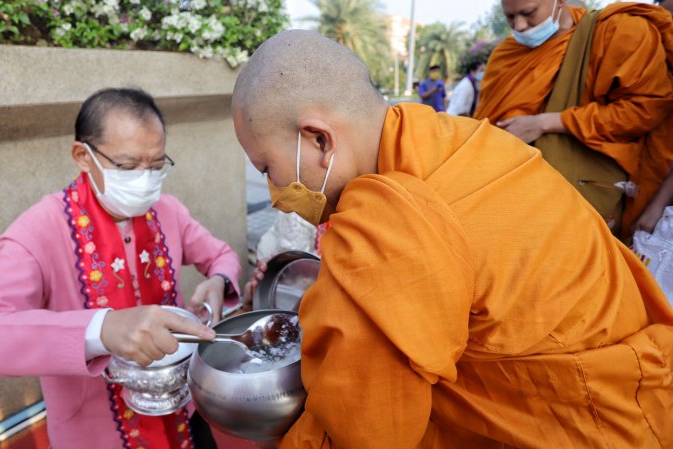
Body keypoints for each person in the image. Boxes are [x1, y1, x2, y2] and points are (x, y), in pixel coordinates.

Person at [231, 30, 673, 449]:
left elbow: (368, 428)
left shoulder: (387, 220)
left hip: (584, 428)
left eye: (268, 169)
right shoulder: (462, 138)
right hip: (641, 395)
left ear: (320, 139)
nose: (275, 196)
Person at [0, 88, 242, 449]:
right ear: (83, 156)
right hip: (95, 431)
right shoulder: (38, 230)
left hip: (181, 410)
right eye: (128, 166)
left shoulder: (168, 210)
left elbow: (221, 255)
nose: (145, 179)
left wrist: (218, 281)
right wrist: (101, 328)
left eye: (156, 165)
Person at [474, 0, 673, 238]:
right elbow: (485, 129)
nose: (520, 26)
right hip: (508, 202)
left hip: (586, 202)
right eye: (510, 17)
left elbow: (642, 110)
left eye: (528, 13)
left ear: (560, 2)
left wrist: (547, 122)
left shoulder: (619, 31)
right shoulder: (508, 55)